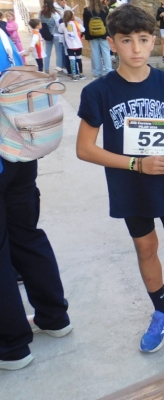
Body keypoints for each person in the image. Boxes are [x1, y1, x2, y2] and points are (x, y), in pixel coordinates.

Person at [76, 4, 164, 361]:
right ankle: (161, 311)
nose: (136, 49)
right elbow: (84, 148)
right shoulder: (98, 92)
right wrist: (135, 165)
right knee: (146, 249)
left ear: (154, 41)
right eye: (127, 41)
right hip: (130, 186)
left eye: (143, 40)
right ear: (112, 44)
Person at [0, 28, 72, 371]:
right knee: (26, 235)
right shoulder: (1, 35)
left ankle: (12, 346)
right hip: (19, 150)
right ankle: (54, 316)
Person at [83, 0, 111, 78]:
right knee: (106, 51)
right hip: (103, 33)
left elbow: (86, 24)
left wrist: (87, 36)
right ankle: (108, 70)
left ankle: (97, 72)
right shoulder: (105, 9)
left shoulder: (87, 10)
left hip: (92, 34)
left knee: (95, 53)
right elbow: (108, 22)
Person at [57, 10, 85, 81]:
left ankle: (74, 75)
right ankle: (81, 74)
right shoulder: (76, 23)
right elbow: (83, 30)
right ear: (72, 16)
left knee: (72, 59)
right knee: (79, 59)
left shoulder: (63, 24)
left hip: (69, 45)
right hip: (78, 44)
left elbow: (60, 31)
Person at [39, 0, 62, 73]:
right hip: (56, 34)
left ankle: (46, 69)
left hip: (47, 35)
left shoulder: (41, 13)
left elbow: (39, 23)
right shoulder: (55, 13)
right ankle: (58, 69)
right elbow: (58, 25)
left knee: (47, 53)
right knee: (58, 53)